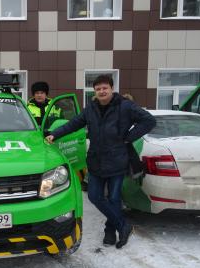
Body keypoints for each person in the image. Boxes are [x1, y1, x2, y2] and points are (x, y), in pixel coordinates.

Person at [46, 75, 156, 249]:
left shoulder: (125, 106)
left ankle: (110, 232)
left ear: (111, 89)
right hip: (96, 161)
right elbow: (74, 123)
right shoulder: (91, 108)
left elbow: (149, 120)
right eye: (98, 89)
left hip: (117, 160)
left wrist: (129, 137)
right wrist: (55, 133)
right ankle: (123, 225)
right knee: (94, 196)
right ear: (95, 92)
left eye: (105, 88)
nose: (102, 91)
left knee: (114, 198)